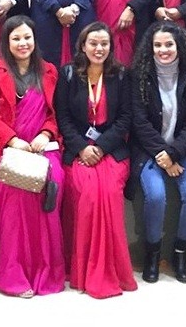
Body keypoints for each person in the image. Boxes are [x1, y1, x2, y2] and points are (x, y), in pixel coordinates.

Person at [0, 15, 65, 297]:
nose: (23, 43)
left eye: (27, 38)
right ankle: (11, 272)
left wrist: (45, 134)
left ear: (35, 40)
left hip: (41, 148)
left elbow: (55, 113)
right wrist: (12, 141)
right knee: (15, 187)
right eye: (16, 38)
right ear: (6, 42)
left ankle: (42, 269)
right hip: (4, 149)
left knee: (53, 180)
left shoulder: (49, 71)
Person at [55, 21, 136, 299]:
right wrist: (81, 148)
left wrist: (100, 147)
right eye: (93, 43)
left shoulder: (122, 75)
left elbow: (126, 118)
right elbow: (63, 117)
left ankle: (112, 269)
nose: (99, 48)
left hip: (111, 149)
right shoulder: (68, 74)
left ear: (111, 47)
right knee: (87, 192)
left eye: (104, 44)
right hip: (78, 149)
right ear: (82, 45)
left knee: (110, 193)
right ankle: (81, 269)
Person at [130, 21, 186, 284]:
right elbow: (139, 123)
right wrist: (163, 154)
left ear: (179, 45)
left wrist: (174, 153)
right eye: (158, 45)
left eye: (169, 44)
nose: (163, 50)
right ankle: (152, 254)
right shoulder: (139, 76)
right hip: (149, 152)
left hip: (182, 152)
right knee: (156, 196)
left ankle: (180, 254)